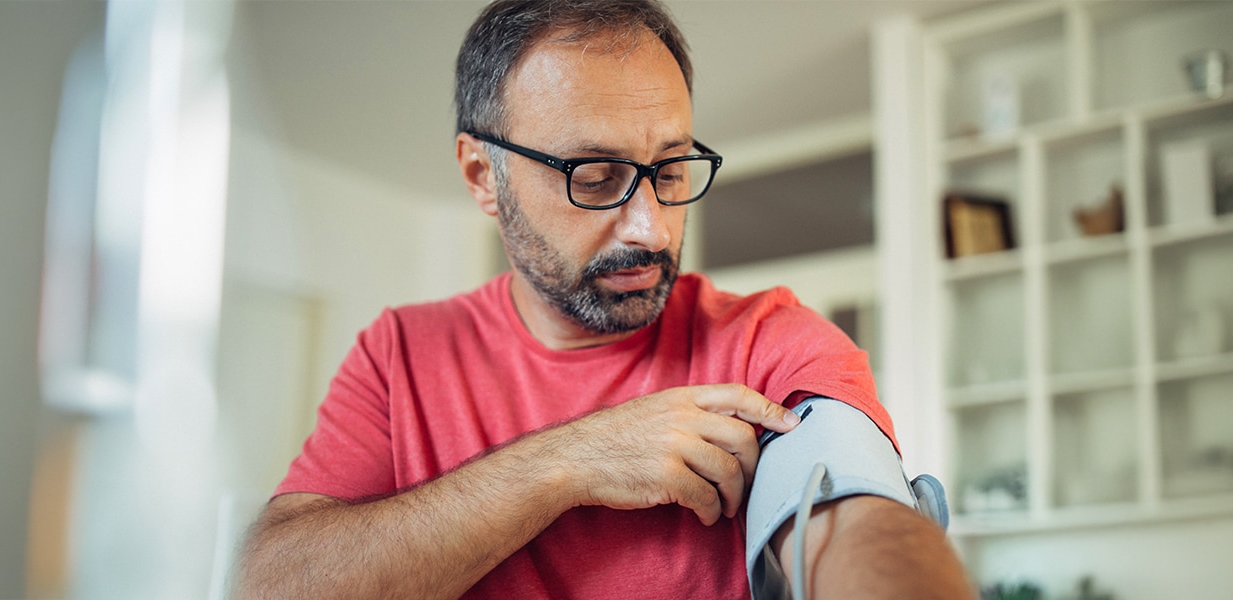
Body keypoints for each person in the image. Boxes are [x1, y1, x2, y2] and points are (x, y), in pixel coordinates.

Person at [235, 1, 972, 598]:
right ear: (481, 176)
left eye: (673, 168)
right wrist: (571, 461)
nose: (651, 227)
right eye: (593, 176)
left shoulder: (767, 340)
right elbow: (269, 585)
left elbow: (855, 519)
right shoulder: (400, 354)